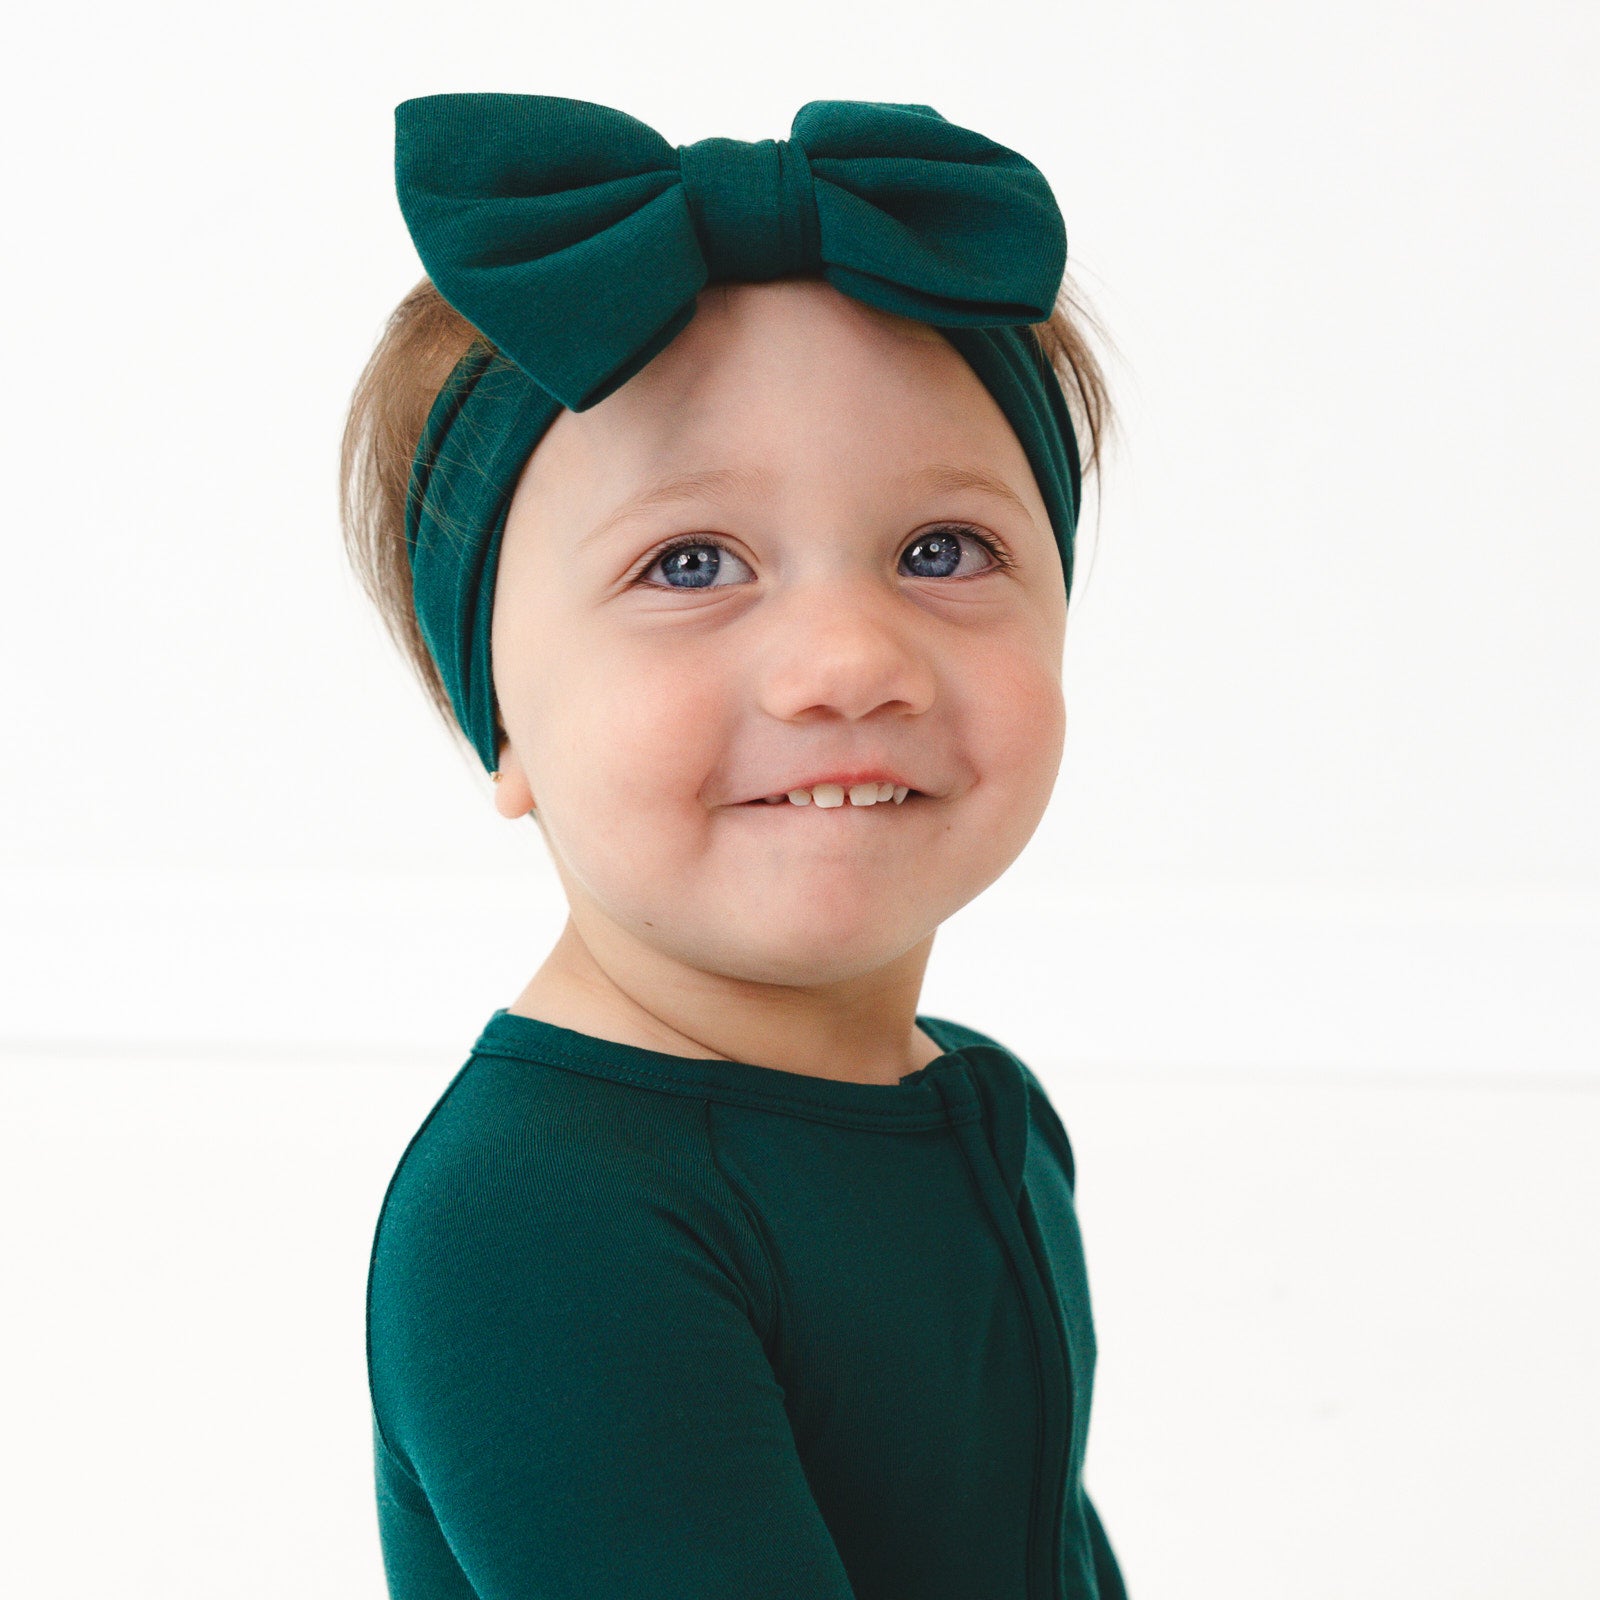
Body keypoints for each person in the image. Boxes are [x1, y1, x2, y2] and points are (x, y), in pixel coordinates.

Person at [342, 92, 1127, 1600]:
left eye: (942, 551)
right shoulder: (538, 1226)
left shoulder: (986, 1106)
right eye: (689, 564)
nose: (846, 657)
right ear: (494, 721)